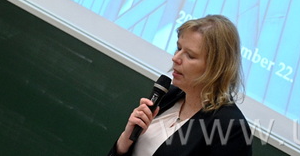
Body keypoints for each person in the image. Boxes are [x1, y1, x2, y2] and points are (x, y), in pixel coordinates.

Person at [108, 15, 252, 156]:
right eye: (178, 48)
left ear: (216, 68)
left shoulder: (231, 128)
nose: (175, 58)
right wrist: (124, 142)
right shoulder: (167, 96)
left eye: (190, 55)